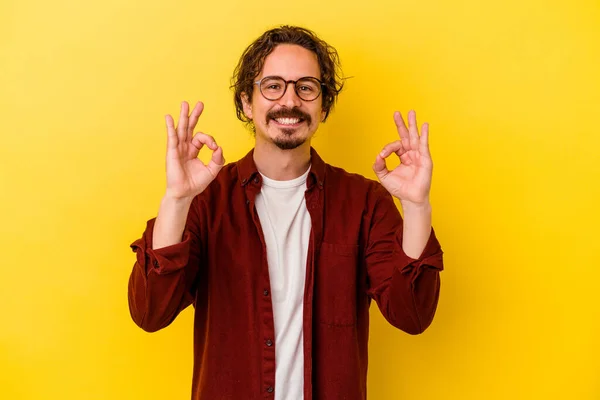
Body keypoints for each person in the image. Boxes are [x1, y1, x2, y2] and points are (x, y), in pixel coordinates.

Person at [128, 25, 444, 400]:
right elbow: (150, 313)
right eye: (273, 85)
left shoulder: (365, 202)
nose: (289, 100)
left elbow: (412, 315)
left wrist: (417, 206)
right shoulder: (205, 201)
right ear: (247, 102)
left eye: (305, 87)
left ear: (323, 105)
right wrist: (176, 200)